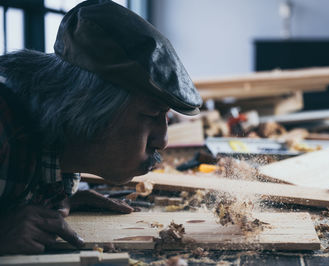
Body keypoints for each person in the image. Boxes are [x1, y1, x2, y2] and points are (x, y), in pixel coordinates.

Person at [0, 0, 202, 254]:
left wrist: (52, 198)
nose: (162, 141)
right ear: (88, 107)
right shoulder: (4, 131)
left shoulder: (57, 148)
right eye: (151, 115)